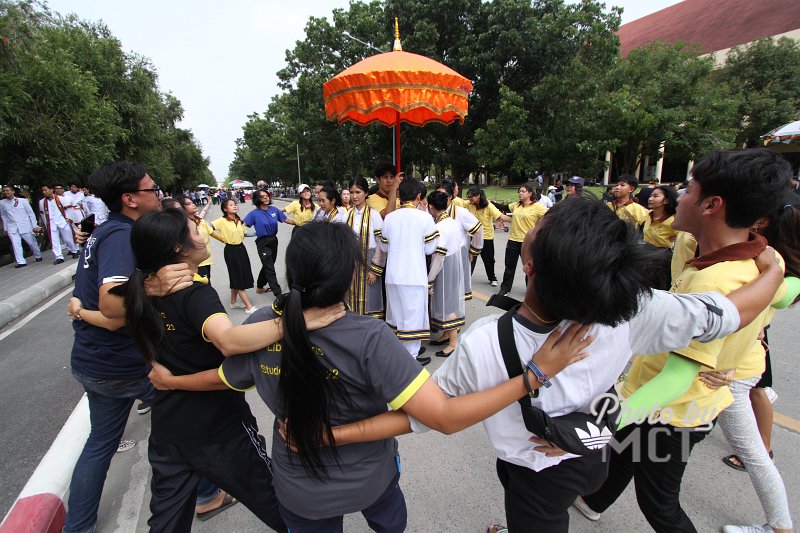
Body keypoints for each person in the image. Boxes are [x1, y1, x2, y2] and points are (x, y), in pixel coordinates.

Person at [323, 197, 785, 533]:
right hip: (592, 450)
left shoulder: (485, 343)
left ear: (528, 261)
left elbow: (423, 417)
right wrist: (775, 272)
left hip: (535, 472)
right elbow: (726, 312)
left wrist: (333, 434)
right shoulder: (635, 309)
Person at [147, 220, 594, 533]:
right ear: (353, 277)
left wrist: (170, 382)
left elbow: (225, 378)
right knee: (389, 522)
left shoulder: (260, 325)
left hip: (300, 491)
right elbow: (443, 417)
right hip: (372, 478)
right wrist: (533, 375)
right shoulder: (370, 337)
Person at [580, 148, 792, 533]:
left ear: (712, 204)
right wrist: (774, 270)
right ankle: (594, 499)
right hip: (654, 391)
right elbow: (783, 290)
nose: (678, 195)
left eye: (689, 189)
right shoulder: (708, 247)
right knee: (625, 451)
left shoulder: (717, 281)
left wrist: (597, 425)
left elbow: (677, 377)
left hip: (673, 411)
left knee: (659, 503)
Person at [98, 208, 345, 532]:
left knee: (166, 523)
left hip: (168, 431)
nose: (202, 234)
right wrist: (295, 322)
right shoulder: (194, 294)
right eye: (195, 230)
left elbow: (105, 306)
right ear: (178, 247)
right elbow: (229, 341)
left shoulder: (140, 292)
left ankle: (210, 497)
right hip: (220, 432)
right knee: (284, 510)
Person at [62, 161, 168, 533]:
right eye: (152, 189)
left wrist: (79, 311)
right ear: (129, 199)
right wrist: (155, 287)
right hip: (126, 363)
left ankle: (77, 527)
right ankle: (204, 492)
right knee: (187, 420)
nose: (158, 194)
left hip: (95, 360)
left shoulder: (105, 232)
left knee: (99, 445)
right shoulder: (123, 237)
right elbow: (113, 306)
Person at [699, 201, 800, 533]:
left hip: (731, 372)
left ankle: (779, 525)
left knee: (753, 452)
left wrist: (768, 266)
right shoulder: (768, 268)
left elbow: (776, 297)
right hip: (731, 366)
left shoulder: (773, 273)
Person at [380, 177, 439, 365]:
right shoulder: (424, 218)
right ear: (419, 196)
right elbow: (431, 248)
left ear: (399, 195)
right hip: (413, 275)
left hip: (393, 275)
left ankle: (399, 355)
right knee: (412, 318)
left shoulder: (389, 217)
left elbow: (385, 247)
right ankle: (411, 359)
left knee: (397, 316)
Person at [426, 191, 467, 357]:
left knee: (447, 304)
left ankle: (453, 343)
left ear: (430, 207)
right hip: (453, 264)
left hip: (445, 267)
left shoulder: (440, 226)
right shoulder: (450, 221)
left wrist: (430, 279)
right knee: (448, 302)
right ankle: (446, 334)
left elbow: (438, 257)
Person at [497, 183, 547, 296]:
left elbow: (549, 216)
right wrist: (489, 203)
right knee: (509, 266)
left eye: (523, 191)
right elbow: (503, 207)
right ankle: (504, 289)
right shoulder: (516, 205)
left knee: (530, 268)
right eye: (519, 191)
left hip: (528, 242)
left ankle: (530, 290)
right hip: (513, 240)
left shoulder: (537, 206)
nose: (520, 193)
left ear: (530, 193)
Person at [345, 177, 385, 318]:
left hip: (369, 264)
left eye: (358, 192)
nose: (354, 196)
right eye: (352, 192)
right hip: (351, 266)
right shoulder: (347, 215)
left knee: (370, 302)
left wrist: (375, 270)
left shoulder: (374, 216)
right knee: (351, 300)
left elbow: (381, 244)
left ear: (366, 193)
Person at [436, 181, 483, 300]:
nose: (440, 198)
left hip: (455, 255)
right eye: (438, 195)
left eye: (444, 195)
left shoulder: (461, 212)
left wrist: (473, 250)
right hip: (436, 255)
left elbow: (478, 229)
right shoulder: (430, 210)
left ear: (451, 197)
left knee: (453, 288)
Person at [244, 190, 294, 297]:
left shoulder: (274, 210)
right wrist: (249, 234)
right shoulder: (254, 214)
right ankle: (279, 295)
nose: (266, 198)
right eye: (262, 197)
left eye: (267, 196)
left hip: (273, 240)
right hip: (262, 242)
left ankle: (260, 287)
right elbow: (242, 225)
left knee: (268, 265)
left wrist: (301, 223)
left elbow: (286, 220)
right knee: (270, 268)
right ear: (257, 199)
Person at [212, 198, 258, 313]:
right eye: (231, 205)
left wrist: (260, 232)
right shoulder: (222, 221)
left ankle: (233, 302)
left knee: (237, 275)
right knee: (238, 277)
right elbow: (207, 228)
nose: (234, 206)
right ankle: (249, 307)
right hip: (231, 250)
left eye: (235, 204)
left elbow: (245, 233)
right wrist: (221, 238)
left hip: (241, 249)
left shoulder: (239, 220)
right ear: (225, 209)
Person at [465, 185, 510, 288]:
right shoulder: (468, 204)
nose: (469, 199)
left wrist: (515, 220)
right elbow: (456, 203)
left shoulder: (488, 206)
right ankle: (467, 279)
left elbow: (500, 216)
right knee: (471, 258)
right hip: (473, 236)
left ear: (478, 196)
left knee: (489, 259)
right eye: (468, 197)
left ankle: (492, 278)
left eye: (472, 196)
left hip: (486, 237)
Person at [1, 185, 42, 267]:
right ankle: (21, 261)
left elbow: (30, 213)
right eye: (4, 191)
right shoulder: (2, 203)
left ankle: (38, 255)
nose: (6, 192)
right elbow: (4, 216)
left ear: (13, 191)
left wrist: (34, 224)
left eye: (7, 190)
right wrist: (6, 228)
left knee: (31, 242)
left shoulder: (22, 201)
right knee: (16, 244)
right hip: (11, 227)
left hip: (25, 225)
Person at [38, 184, 79, 263]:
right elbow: (42, 214)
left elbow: (69, 209)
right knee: (54, 240)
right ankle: (59, 257)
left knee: (68, 238)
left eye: (45, 190)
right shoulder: (42, 202)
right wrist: (46, 224)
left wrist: (69, 219)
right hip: (51, 222)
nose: (44, 192)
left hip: (62, 221)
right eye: (43, 191)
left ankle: (74, 250)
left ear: (51, 190)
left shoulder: (61, 199)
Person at [178, 195, 214, 281]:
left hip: (205, 260)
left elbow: (211, 233)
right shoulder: (184, 226)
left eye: (192, 202)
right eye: (189, 204)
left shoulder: (199, 221)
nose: (193, 204)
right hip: (196, 263)